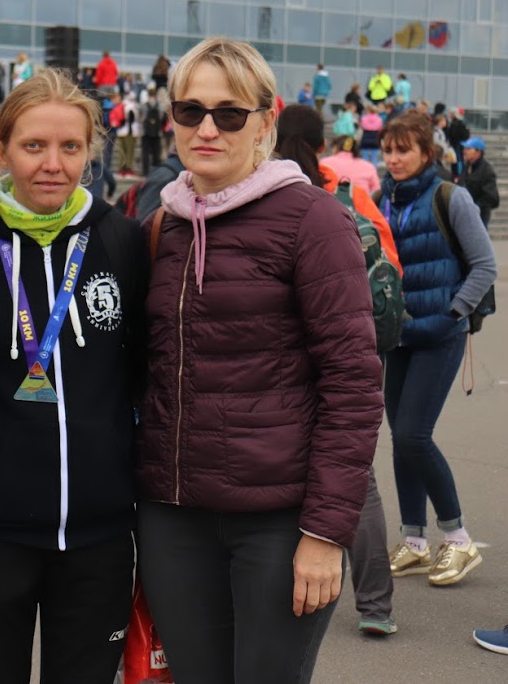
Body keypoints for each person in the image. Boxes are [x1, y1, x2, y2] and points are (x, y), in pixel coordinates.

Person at [136, 37, 383, 684]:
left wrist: (327, 533)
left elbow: (352, 385)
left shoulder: (312, 221)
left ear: (265, 121)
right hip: (175, 517)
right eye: (189, 111)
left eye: (229, 112)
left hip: (278, 524)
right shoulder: (159, 224)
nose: (207, 127)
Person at [0, 68, 145, 682]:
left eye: (70, 147)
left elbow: (141, 371)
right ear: (1, 151)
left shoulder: (122, 240)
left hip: (102, 530)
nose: (52, 164)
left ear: (91, 153)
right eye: (33, 146)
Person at [275, 104, 401, 636]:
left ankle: (283, 587)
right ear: (323, 140)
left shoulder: (269, 194)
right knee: (357, 475)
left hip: (283, 355)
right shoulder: (349, 193)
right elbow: (390, 267)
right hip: (351, 343)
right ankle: (376, 606)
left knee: (278, 465)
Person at [378, 111, 496, 588]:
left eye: (403, 149)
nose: (393, 159)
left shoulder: (452, 196)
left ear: (427, 152)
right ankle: (414, 540)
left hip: (440, 335)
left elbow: (485, 266)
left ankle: (459, 537)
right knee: (400, 442)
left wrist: (453, 315)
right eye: (387, 150)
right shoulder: (384, 200)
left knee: (413, 437)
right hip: (398, 337)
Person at [457, 137, 498, 226]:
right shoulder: (466, 167)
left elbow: (491, 197)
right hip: (463, 215)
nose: (465, 151)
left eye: (468, 149)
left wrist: (474, 207)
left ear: (478, 152)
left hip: (479, 218)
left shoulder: (486, 170)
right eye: (464, 148)